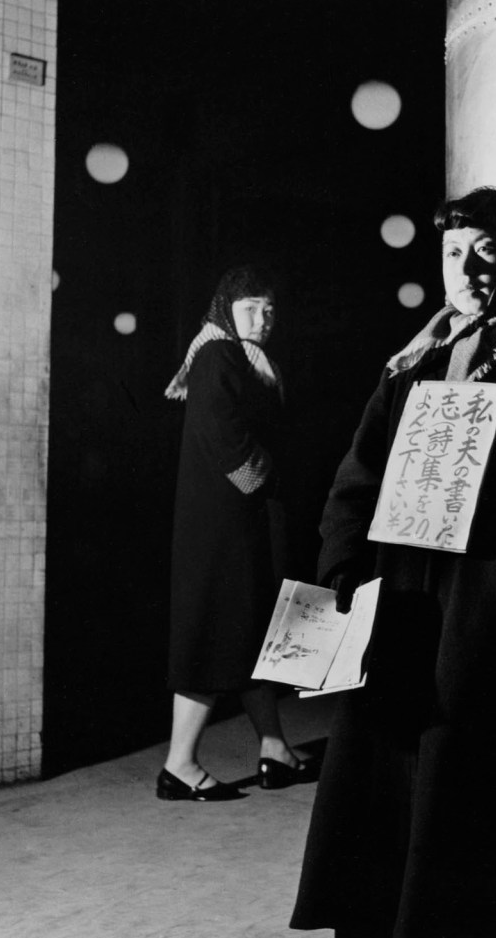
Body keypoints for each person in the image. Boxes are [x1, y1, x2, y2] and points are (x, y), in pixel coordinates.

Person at [290, 187, 496, 936]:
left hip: (492, 610)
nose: (468, 269)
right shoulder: (415, 358)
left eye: (487, 251)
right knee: (388, 781)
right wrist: (342, 572)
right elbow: (359, 473)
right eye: (452, 252)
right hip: (403, 602)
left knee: (470, 792)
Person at [157, 264, 310, 801]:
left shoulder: (240, 357)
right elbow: (226, 439)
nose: (263, 319)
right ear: (228, 309)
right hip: (221, 525)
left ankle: (275, 749)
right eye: (251, 308)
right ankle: (179, 765)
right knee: (212, 636)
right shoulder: (218, 354)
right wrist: (270, 475)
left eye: (269, 309)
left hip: (234, 521)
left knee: (250, 635)